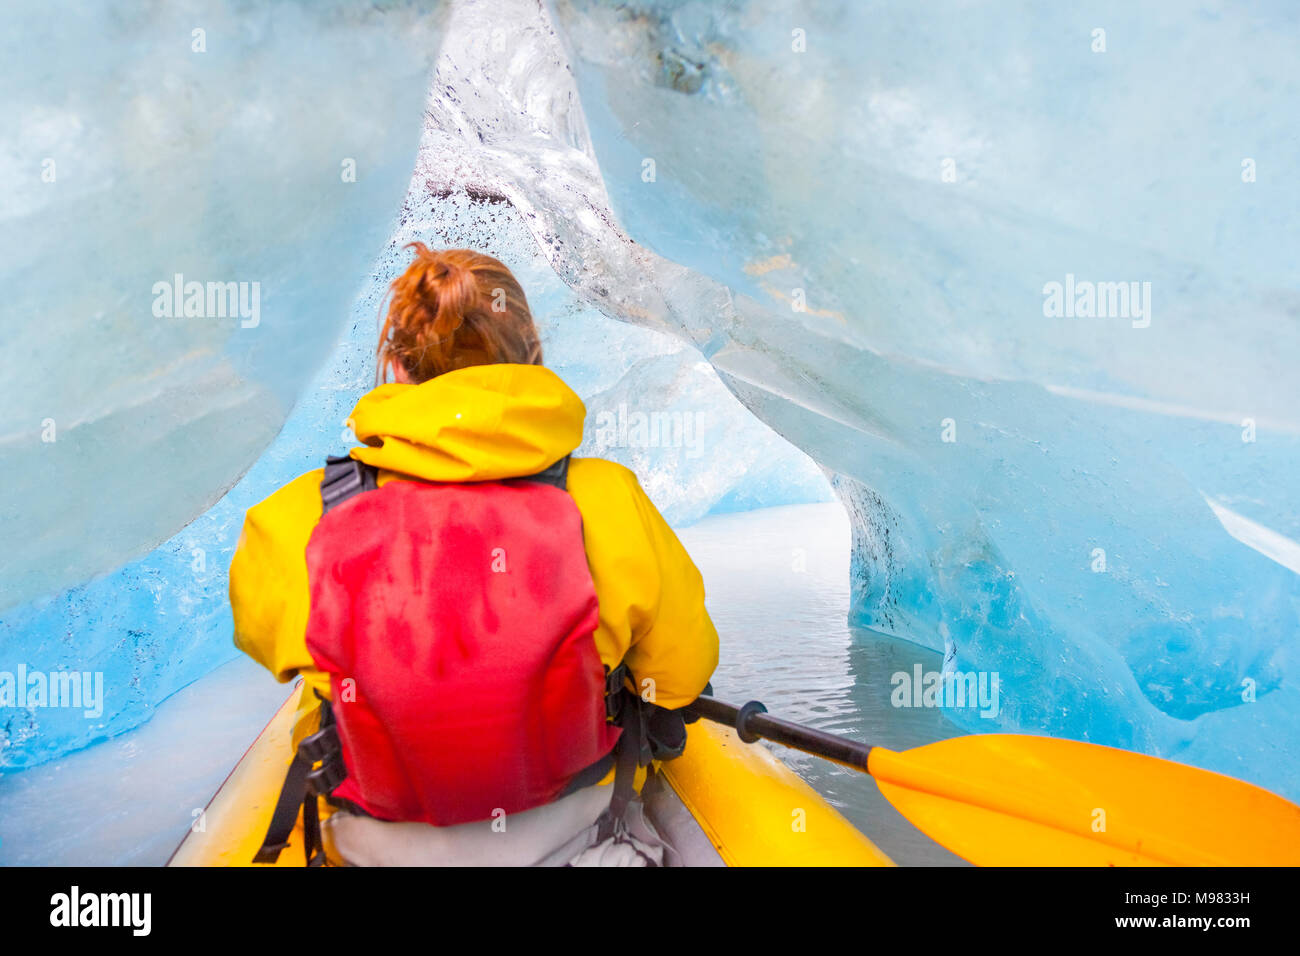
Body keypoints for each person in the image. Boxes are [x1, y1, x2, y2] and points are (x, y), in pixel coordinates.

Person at [229, 243, 719, 866]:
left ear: (396, 368)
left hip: (375, 849)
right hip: (574, 837)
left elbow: (266, 642)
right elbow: (679, 677)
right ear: (532, 358)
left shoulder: (299, 515)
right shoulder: (606, 498)